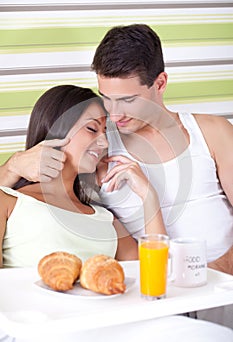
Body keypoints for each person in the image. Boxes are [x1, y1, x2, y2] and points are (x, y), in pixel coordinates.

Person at [0, 27, 232, 340]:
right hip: (143, 301)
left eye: (127, 100)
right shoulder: (96, 151)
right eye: (107, 99)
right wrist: (14, 163)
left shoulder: (213, 131)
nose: (115, 115)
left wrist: (217, 273)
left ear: (159, 84)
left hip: (216, 286)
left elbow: (154, 270)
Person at [0, 84, 149, 268]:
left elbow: (149, 272)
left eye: (105, 132)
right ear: (56, 127)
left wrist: (149, 196)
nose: (104, 142)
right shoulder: (8, 201)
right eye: (92, 129)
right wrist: (12, 166)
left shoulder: (105, 217)